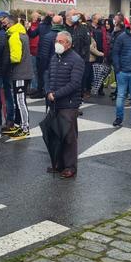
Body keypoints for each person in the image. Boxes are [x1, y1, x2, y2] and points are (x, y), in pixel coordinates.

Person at [47, 31, 85, 178]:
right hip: (54, 103)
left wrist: (56, 94)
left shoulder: (77, 60)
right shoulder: (54, 57)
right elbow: (49, 76)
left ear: (68, 44)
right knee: (56, 134)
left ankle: (70, 166)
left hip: (68, 104)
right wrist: (48, 91)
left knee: (69, 136)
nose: (57, 43)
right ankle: (59, 163)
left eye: (61, 41)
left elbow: (75, 84)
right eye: (57, 40)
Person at [5, 13, 34, 138]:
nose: (4, 25)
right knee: (19, 100)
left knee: (20, 101)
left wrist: (4, 60)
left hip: (20, 73)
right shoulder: (22, 33)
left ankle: (24, 128)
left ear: (11, 24)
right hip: (24, 72)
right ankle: (17, 125)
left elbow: (15, 58)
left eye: (5, 23)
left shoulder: (14, 36)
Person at [34, 15, 64, 99]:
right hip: (64, 66)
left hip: (50, 66)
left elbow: (44, 55)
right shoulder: (67, 36)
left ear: (52, 23)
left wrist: (43, 68)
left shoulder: (48, 36)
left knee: (51, 91)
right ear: (62, 23)